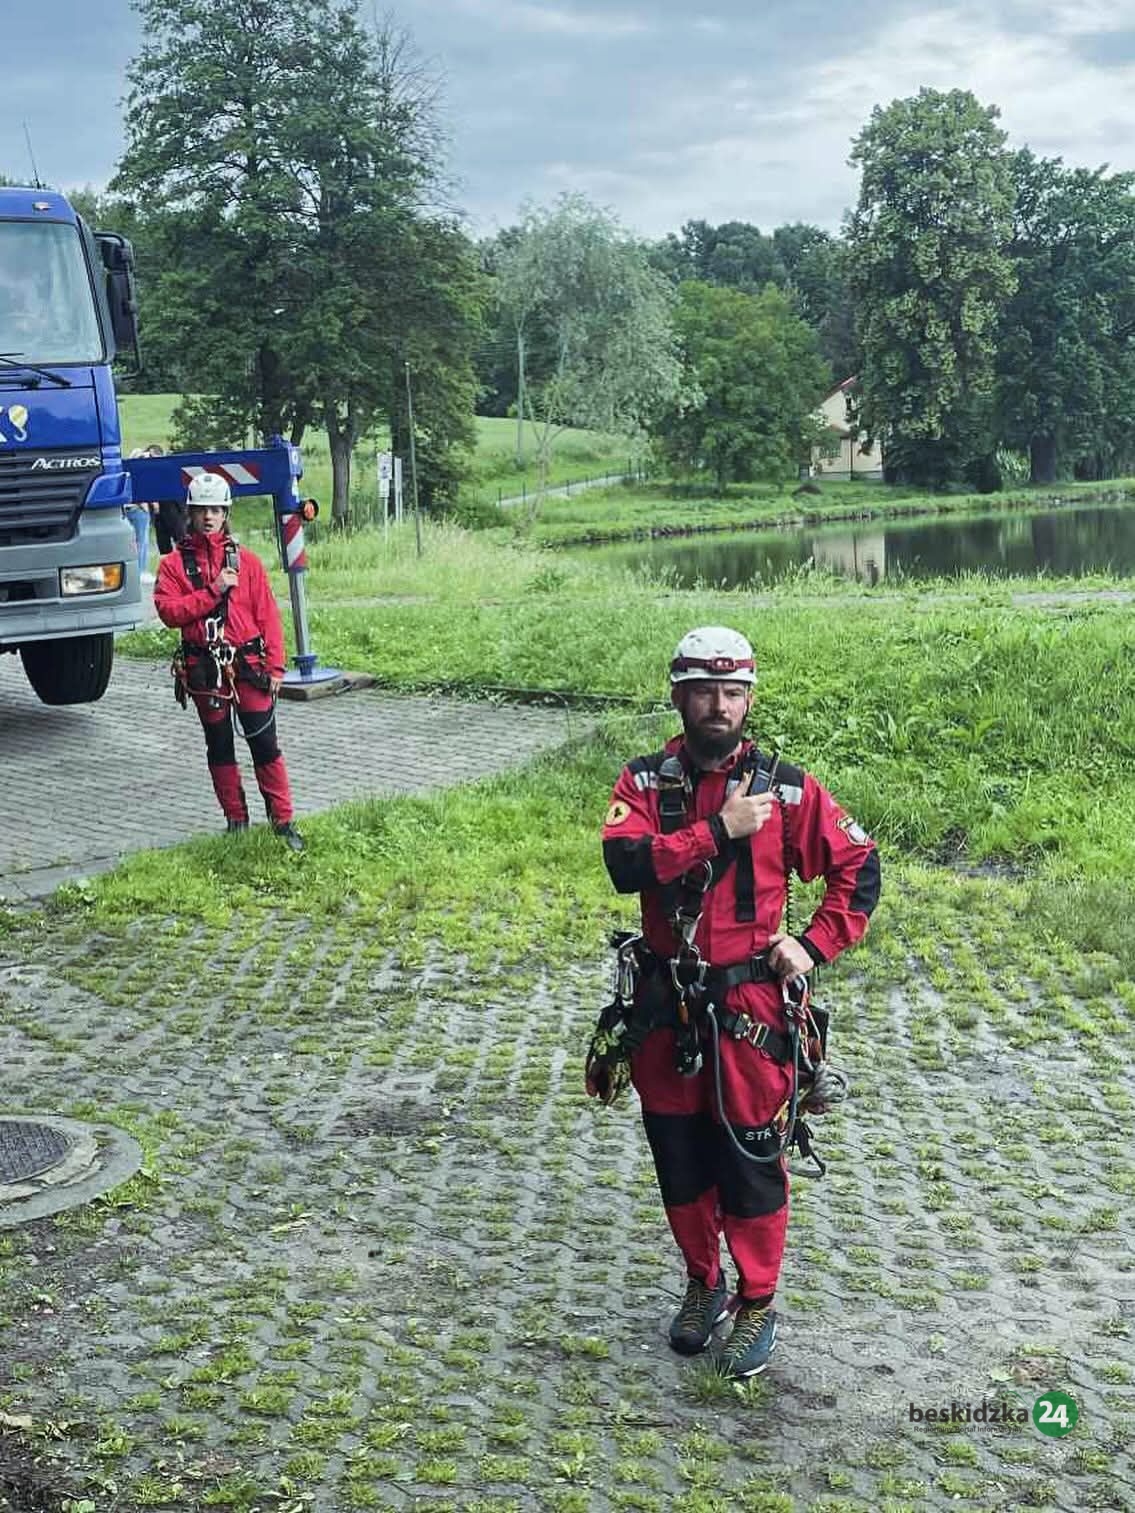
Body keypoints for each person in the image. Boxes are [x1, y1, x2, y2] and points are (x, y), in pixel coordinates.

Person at [600, 626, 880, 1378]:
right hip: (666, 1009)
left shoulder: (787, 789)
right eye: (703, 690)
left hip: (750, 1012)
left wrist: (813, 944)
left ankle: (757, 1300)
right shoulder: (644, 781)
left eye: (731, 692)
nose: (717, 705)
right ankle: (704, 1283)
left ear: (748, 699)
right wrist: (713, 831)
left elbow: (858, 865)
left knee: (751, 1161)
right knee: (680, 1160)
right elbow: (623, 864)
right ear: (677, 695)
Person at [153, 471, 304, 852]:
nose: (209, 517)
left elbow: (267, 614)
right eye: (202, 510)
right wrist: (213, 591)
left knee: (264, 743)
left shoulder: (247, 563)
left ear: (225, 513)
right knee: (219, 746)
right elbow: (170, 612)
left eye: (216, 510)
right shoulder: (173, 565)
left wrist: (276, 666)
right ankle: (236, 819)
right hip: (205, 667)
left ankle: (283, 823)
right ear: (190, 513)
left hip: (249, 664)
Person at [143, 444, 189, 556]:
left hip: (173, 508)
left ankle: (185, 561)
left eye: (151, 456)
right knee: (163, 544)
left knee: (180, 538)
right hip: (159, 513)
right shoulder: (148, 470)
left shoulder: (168, 467)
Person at [125, 448, 153, 584]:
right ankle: (141, 570)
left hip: (128, 509)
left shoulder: (128, 473)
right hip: (139, 510)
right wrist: (145, 507)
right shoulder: (140, 474)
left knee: (132, 542)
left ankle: (134, 570)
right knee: (142, 541)